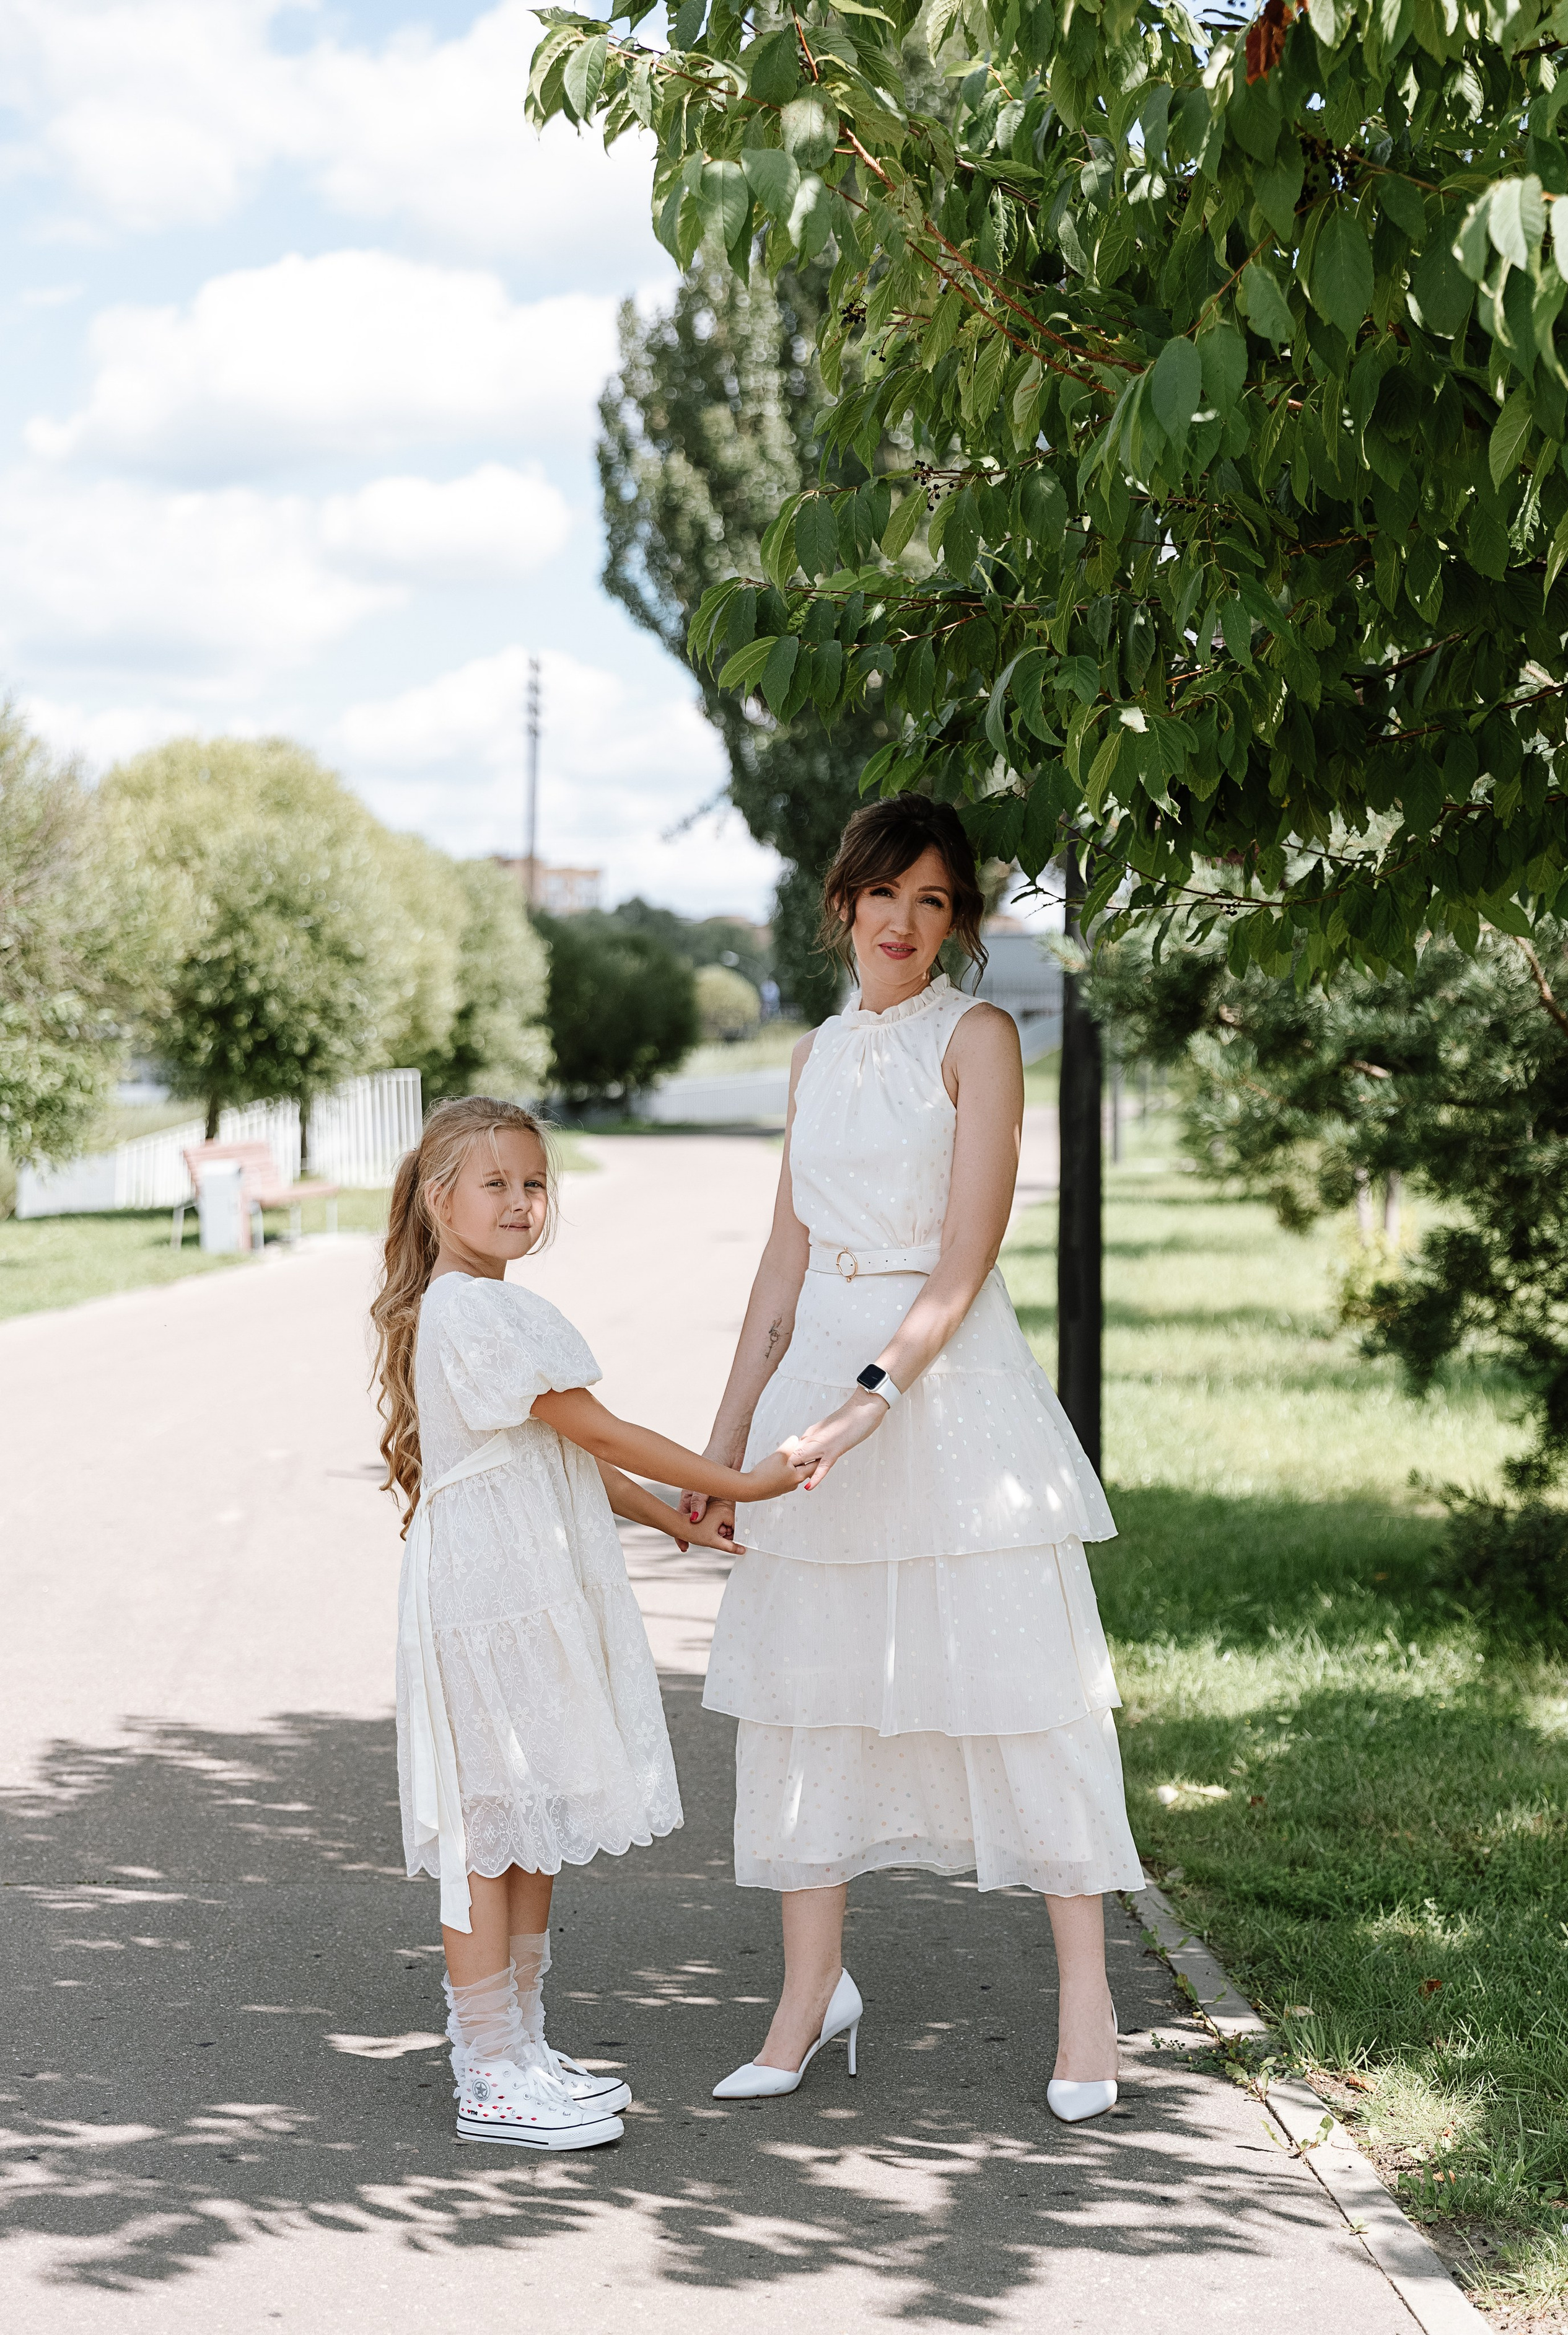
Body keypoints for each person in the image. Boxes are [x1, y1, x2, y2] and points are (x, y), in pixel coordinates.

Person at [680, 796, 1145, 2123]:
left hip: (938, 1390)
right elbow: (779, 1267)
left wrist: (874, 1396)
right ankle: (807, 1997)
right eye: (882, 895)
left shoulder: (979, 1037)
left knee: (1026, 1696)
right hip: (818, 1375)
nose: (900, 922)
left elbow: (965, 1254)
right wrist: (719, 1454)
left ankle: (1088, 2009)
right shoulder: (814, 1054)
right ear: (841, 904)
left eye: (931, 901)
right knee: (805, 1698)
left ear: (959, 924)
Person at [370, 1096, 812, 2151]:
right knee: (489, 1824)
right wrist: (739, 1479)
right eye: (497, 1184)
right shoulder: (469, 1309)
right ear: (440, 1200)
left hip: (529, 1581)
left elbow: (566, 1457)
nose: (523, 1203)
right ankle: (486, 2068)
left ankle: (521, 2043)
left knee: (532, 1815)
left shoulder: (493, 1304)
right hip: (489, 1591)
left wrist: (677, 1522)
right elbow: (596, 1425)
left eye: (534, 1185)